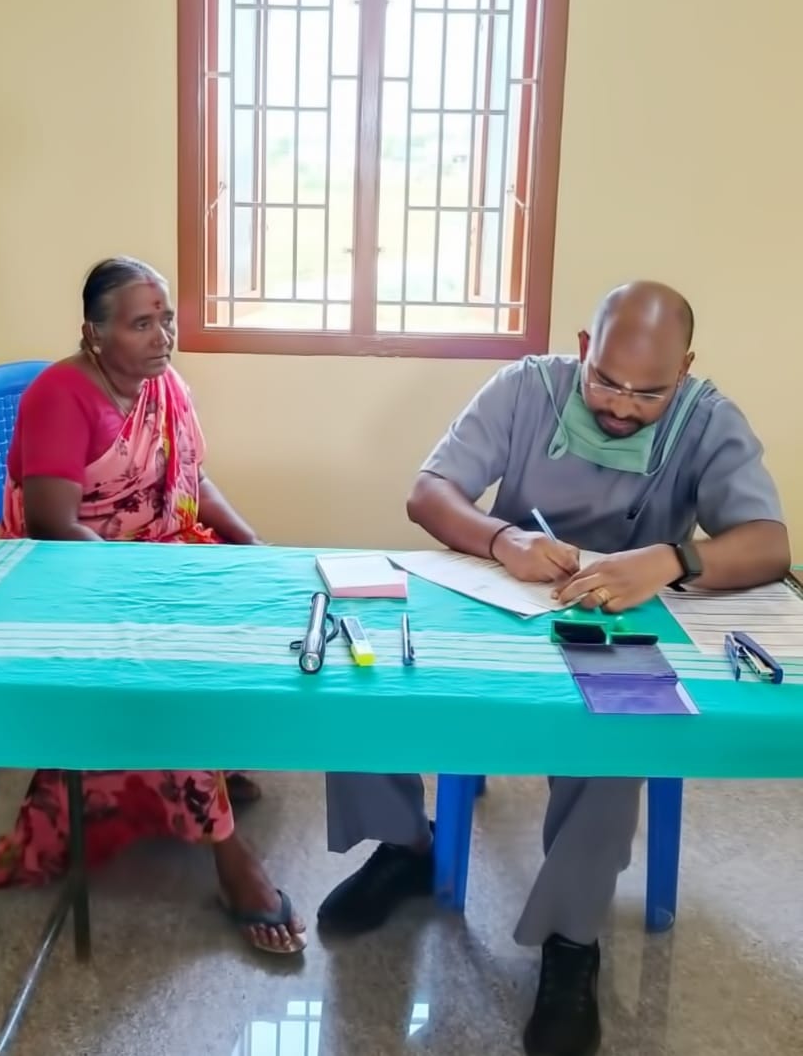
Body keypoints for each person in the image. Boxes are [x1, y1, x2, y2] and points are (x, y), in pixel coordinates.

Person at [318, 281, 789, 1056]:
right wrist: (503, 540)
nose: (623, 407)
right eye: (606, 380)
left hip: (622, 620)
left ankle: (572, 938)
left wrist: (670, 561)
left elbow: (767, 542)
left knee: (613, 743)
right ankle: (405, 846)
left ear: (688, 369)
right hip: (498, 595)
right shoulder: (526, 388)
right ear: (582, 349)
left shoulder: (707, 418)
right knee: (371, 675)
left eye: (649, 393)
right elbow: (428, 493)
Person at [0, 255, 306, 956]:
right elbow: (51, 525)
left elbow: (190, 478)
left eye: (166, 319)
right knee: (173, 668)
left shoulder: (164, 388)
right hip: (75, 582)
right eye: (141, 323)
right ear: (93, 334)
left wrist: (252, 545)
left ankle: (218, 758)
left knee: (271, 603)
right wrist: (138, 593)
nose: (163, 336)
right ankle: (231, 859)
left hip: (159, 557)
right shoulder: (59, 396)